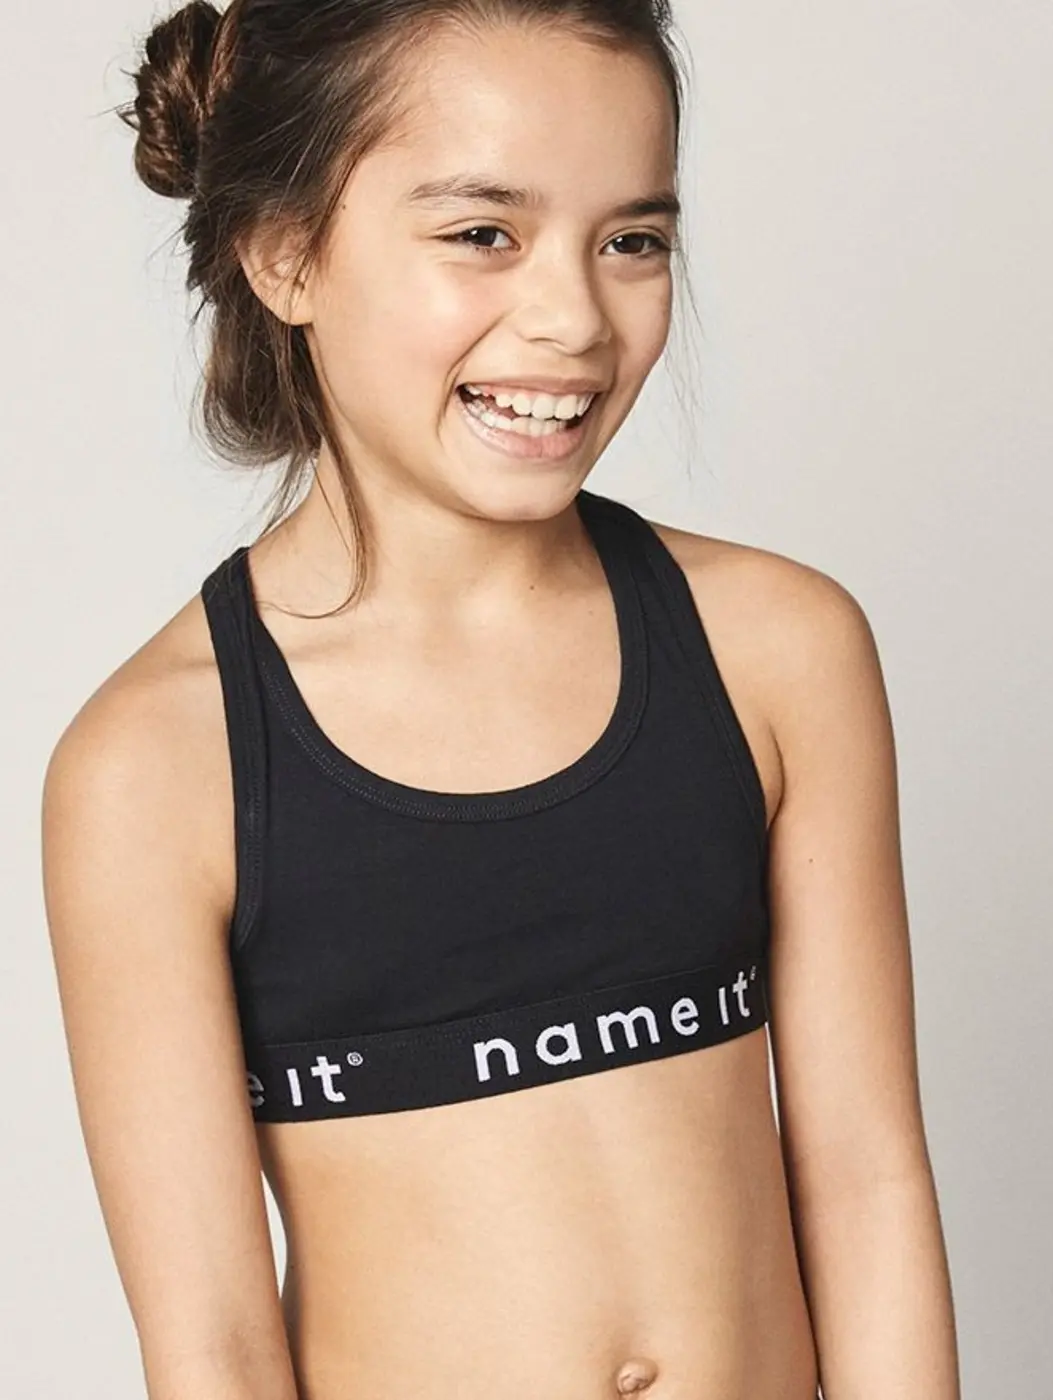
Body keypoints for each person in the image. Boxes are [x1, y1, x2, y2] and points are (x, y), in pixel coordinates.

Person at [41, 2, 961, 1397]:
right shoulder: (156, 768)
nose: (574, 318)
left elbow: (866, 1177)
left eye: (631, 241)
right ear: (284, 253)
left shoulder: (780, 651)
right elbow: (215, 1349)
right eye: (484, 233)